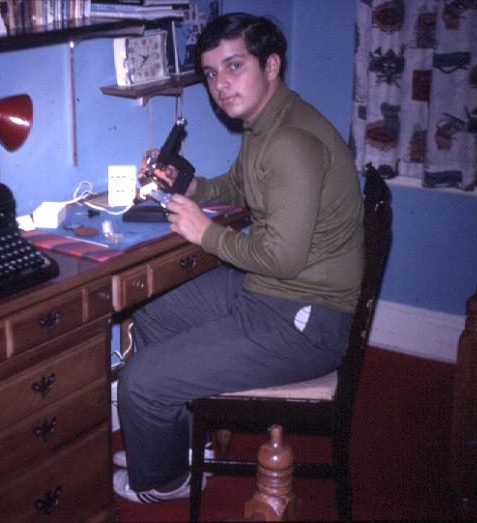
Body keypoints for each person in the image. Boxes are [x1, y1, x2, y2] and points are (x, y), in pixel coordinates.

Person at [112, 12, 365, 504]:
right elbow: (235, 186)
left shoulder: (290, 143)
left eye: (233, 67)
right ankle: (182, 445)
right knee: (154, 308)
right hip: (275, 294)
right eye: (210, 74)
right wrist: (183, 184)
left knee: (140, 383)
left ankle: (167, 481)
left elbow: (282, 258)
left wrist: (205, 233)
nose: (220, 86)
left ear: (271, 65)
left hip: (303, 320)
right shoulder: (266, 123)